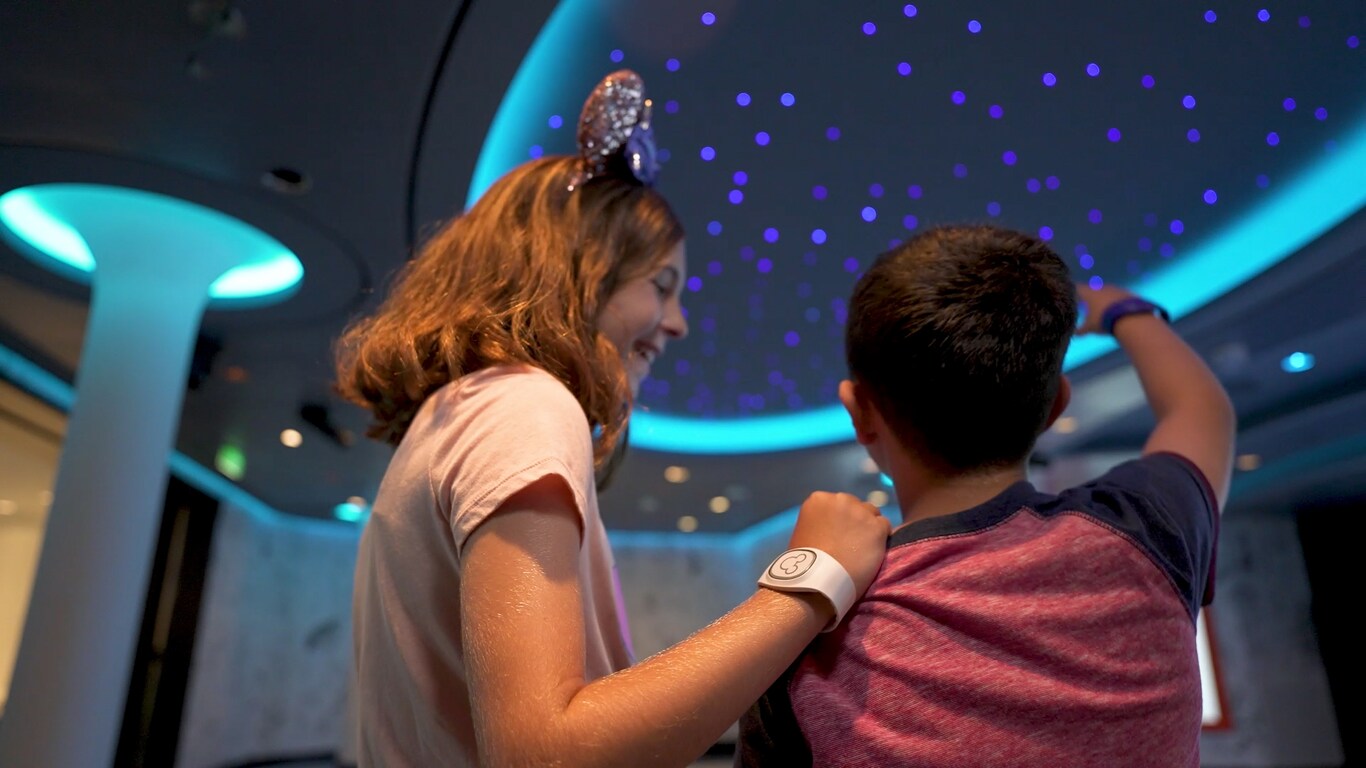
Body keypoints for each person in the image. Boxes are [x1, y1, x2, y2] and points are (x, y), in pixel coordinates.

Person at [334, 69, 890, 767]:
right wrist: (814, 581)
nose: (678, 323)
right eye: (662, 285)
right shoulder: (524, 403)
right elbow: (545, 752)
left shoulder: (458, 412)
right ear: (578, 269)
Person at [735, 225, 1234, 767]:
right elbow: (1201, 410)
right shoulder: (1147, 532)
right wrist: (1125, 311)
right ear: (1056, 407)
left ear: (859, 414)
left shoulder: (806, 638)